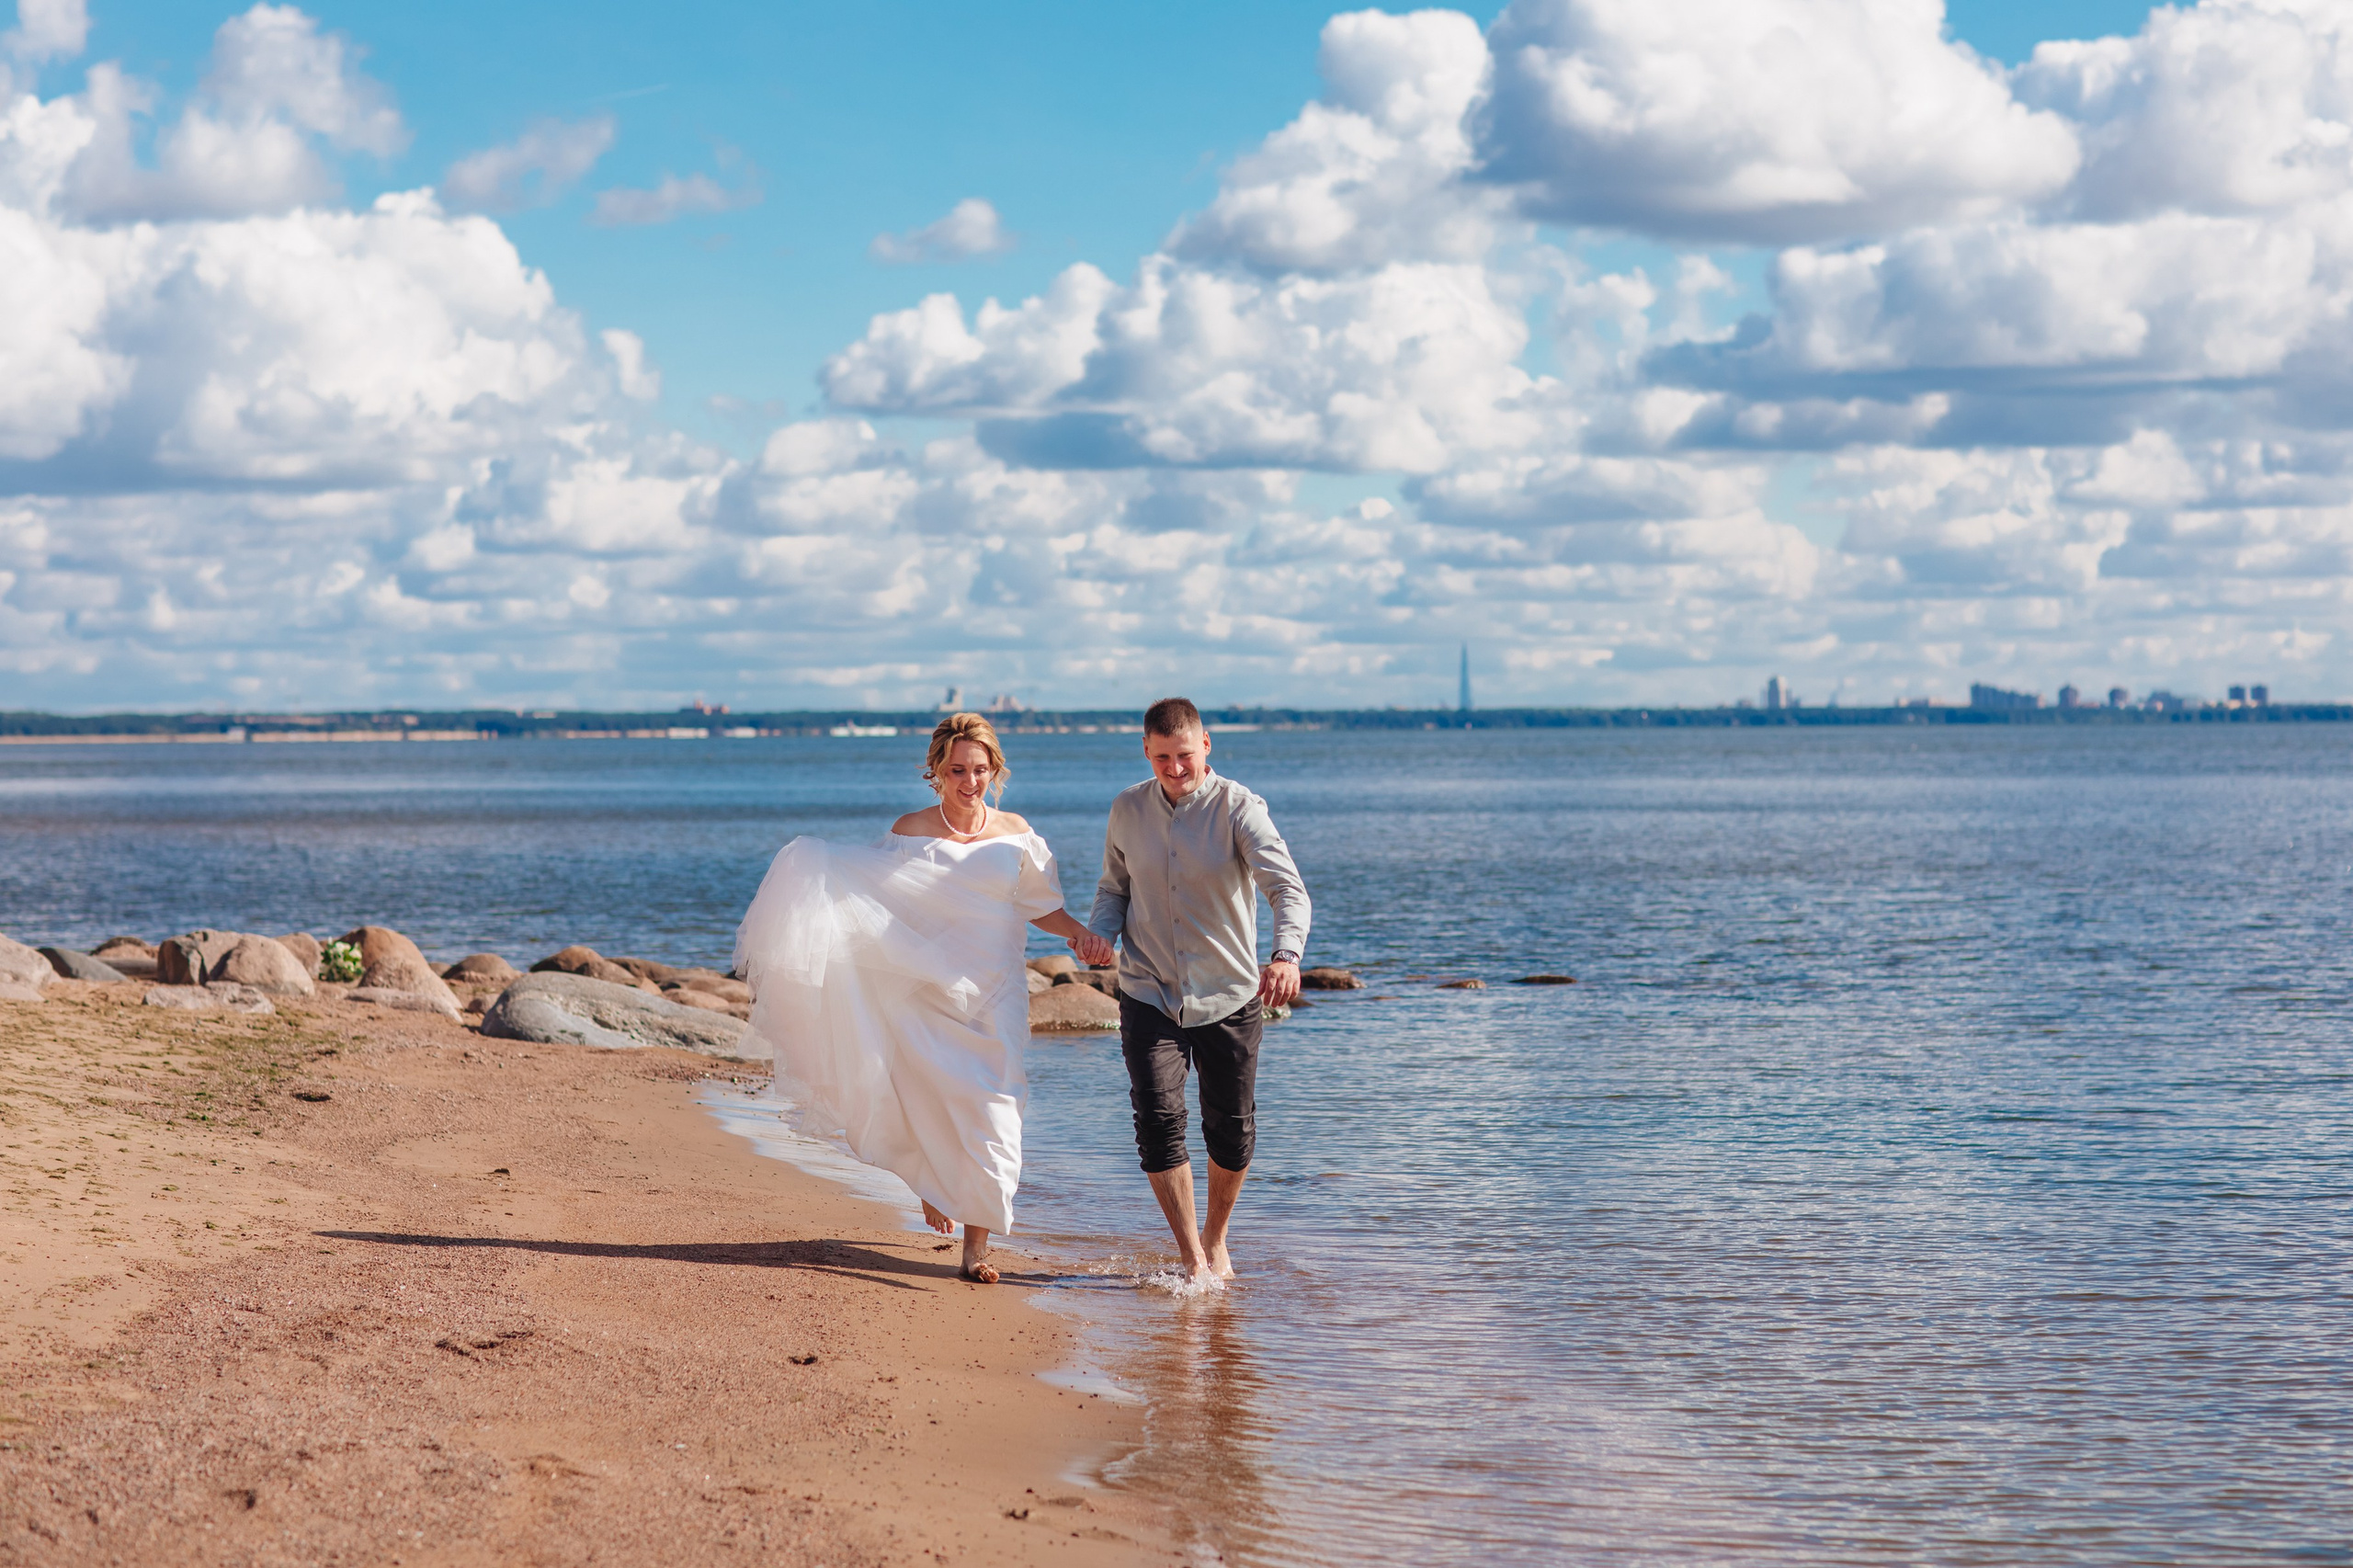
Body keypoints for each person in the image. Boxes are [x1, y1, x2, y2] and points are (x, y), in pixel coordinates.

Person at [734, 712, 1113, 1282]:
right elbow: (874, 898)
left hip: (996, 991)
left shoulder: (1017, 833)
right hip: (924, 989)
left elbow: (1040, 906)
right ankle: (932, 1183)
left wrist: (1079, 935)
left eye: (980, 770)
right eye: (957, 770)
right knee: (924, 1094)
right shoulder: (909, 831)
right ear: (936, 771)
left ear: (995, 770)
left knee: (997, 1108)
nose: (969, 781)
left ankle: (975, 1249)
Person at [1090, 697, 1311, 1285]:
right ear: (1145, 750)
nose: (1175, 768)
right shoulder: (1127, 808)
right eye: (1162, 757)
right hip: (1148, 991)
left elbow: (1287, 889)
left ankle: (1216, 1237)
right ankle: (1192, 1257)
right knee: (1158, 1121)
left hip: (1228, 994)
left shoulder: (1240, 808)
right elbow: (1114, 889)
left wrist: (1286, 956)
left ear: (1206, 745)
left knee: (1231, 1129)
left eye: (1184, 755)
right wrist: (1099, 934)